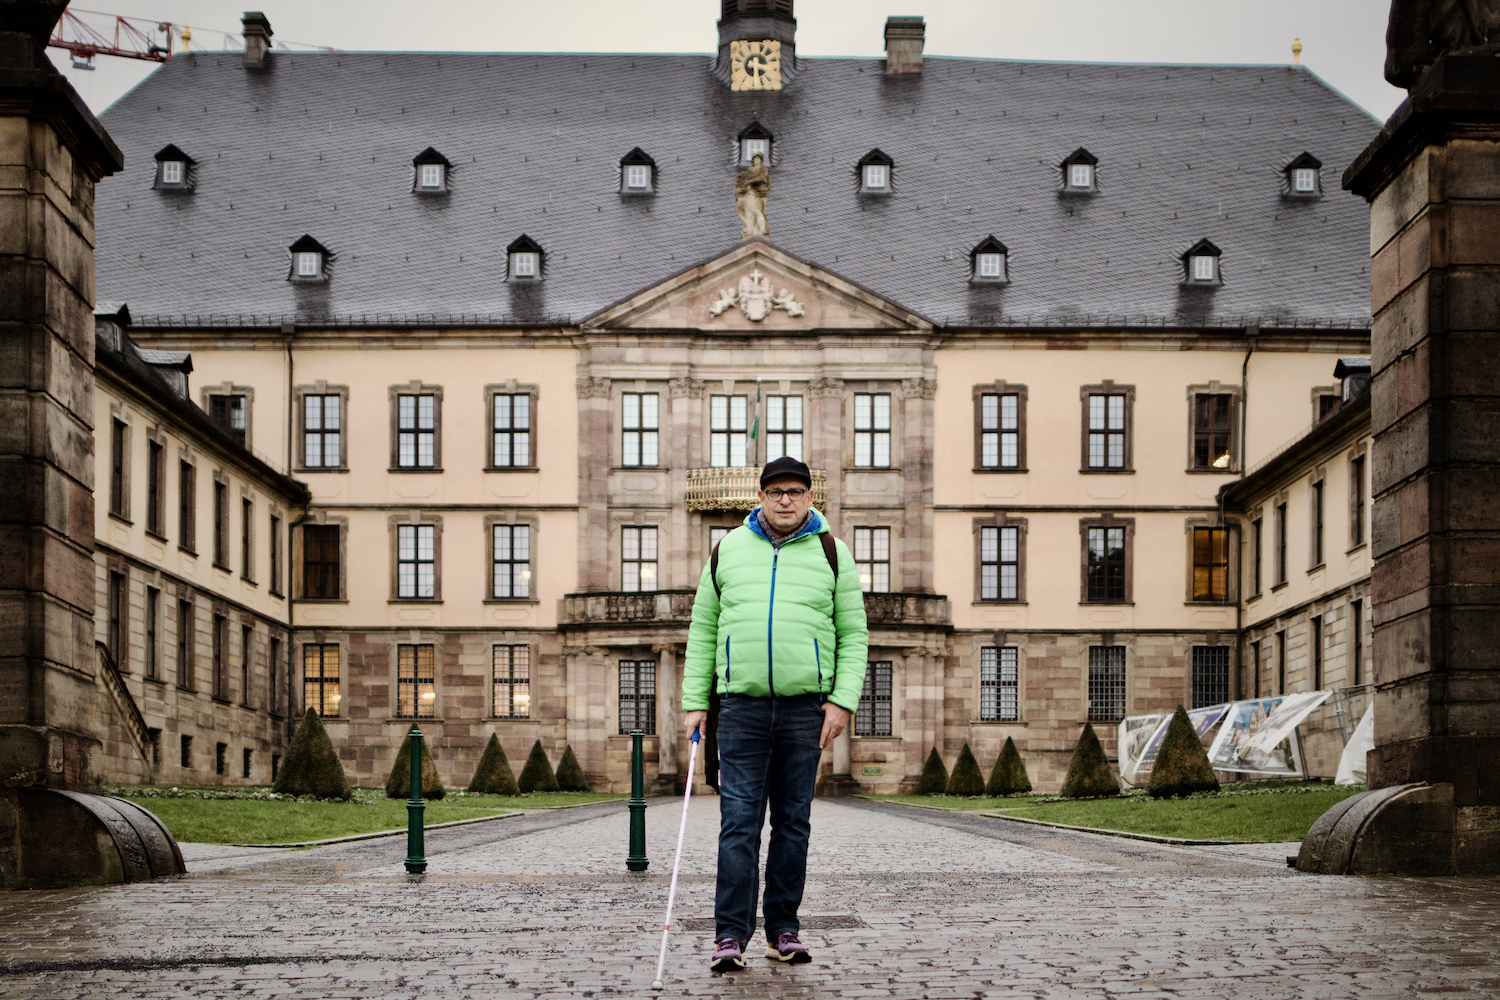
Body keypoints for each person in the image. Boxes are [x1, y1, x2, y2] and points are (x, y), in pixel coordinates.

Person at [682, 456, 869, 972]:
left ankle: (783, 928)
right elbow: (702, 631)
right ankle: (730, 936)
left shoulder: (834, 553)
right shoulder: (726, 552)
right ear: (760, 496)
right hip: (739, 708)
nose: (785, 499)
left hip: (806, 707)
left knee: (793, 823)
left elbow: (854, 636)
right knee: (738, 823)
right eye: (776, 490)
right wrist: (696, 701)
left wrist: (841, 700)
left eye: (795, 490)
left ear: (811, 497)